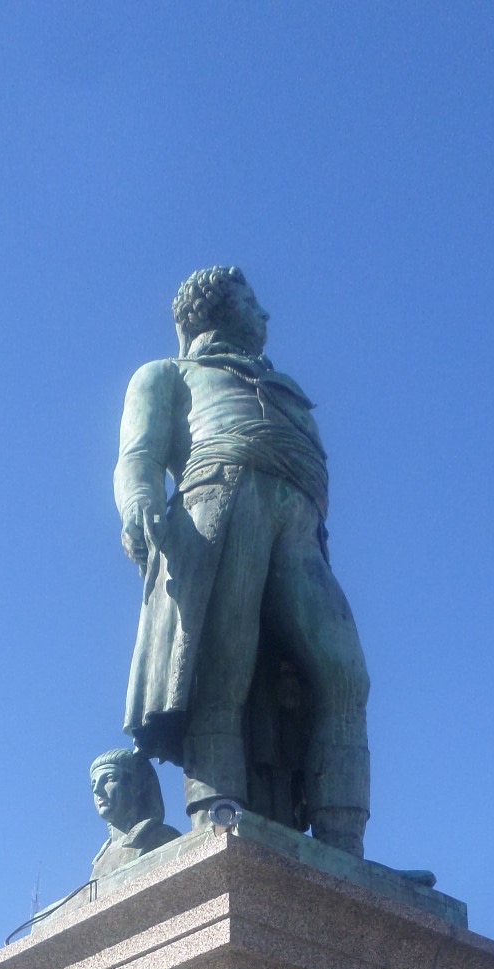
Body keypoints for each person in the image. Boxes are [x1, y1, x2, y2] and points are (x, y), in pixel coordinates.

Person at [115, 266, 370, 854]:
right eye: (251, 302)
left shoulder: (280, 387)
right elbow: (137, 456)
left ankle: (343, 847)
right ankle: (217, 822)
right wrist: (139, 503)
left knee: (345, 674)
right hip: (220, 501)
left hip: (300, 524)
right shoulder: (167, 374)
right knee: (222, 668)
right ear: (216, 309)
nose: (265, 314)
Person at [88, 749, 179, 879]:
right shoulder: (99, 860)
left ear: (137, 785)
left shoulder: (162, 837)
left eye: (109, 778)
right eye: (93, 784)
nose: (97, 790)